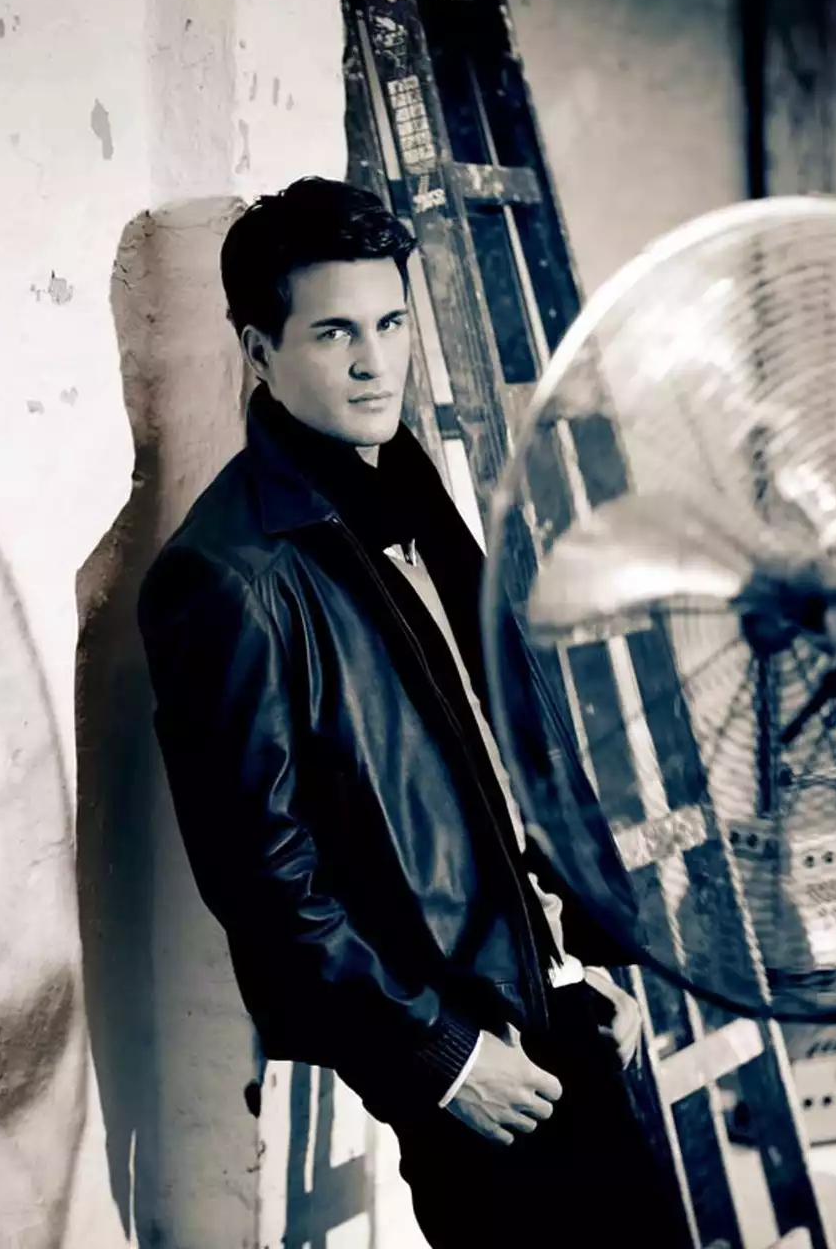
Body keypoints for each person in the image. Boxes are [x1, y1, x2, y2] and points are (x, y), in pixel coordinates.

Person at [136, 176, 682, 1244]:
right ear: (258, 351)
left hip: (542, 1003)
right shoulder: (228, 575)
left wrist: (577, 958)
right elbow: (263, 879)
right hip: (459, 1045)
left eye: (389, 323)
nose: (374, 362)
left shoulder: (407, 498)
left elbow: (492, 750)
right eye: (333, 331)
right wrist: (439, 1058)